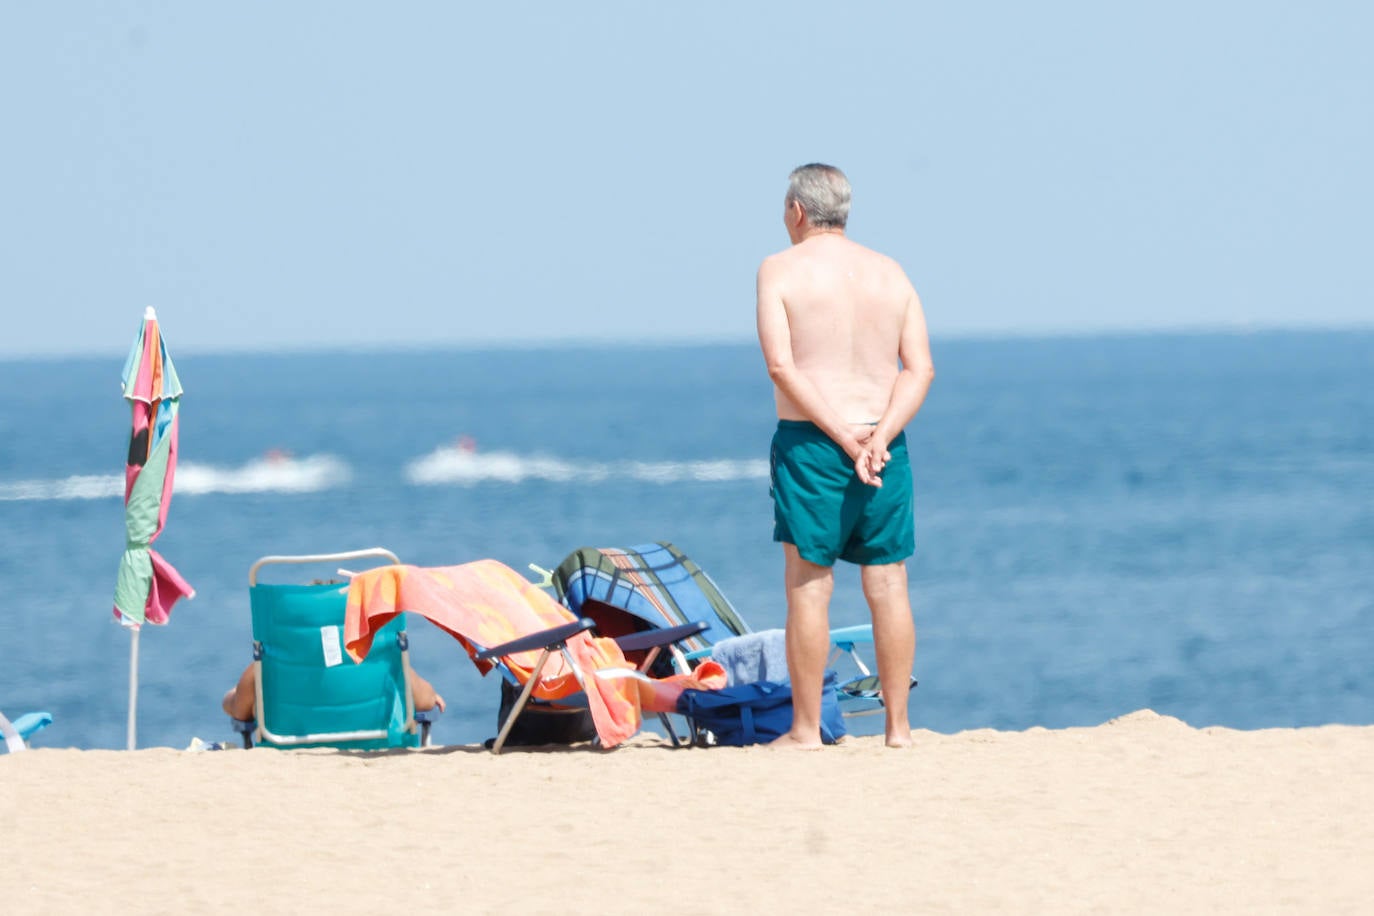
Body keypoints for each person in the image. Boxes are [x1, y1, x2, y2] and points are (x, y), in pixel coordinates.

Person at [755, 163, 935, 749]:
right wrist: (876, 439)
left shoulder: (779, 269)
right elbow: (920, 369)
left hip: (814, 446)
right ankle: (899, 728)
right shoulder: (891, 272)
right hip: (885, 447)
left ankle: (806, 730)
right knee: (889, 583)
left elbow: (782, 366)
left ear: (797, 211)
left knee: (809, 586)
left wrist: (842, 438)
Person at [221, 663, 445, 720]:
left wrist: (232, 695)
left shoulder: (267, 665)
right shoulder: (382, 658)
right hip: (375, 744)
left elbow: (239, 710)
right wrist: (430, 694)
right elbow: (425, 701)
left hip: (287, 744)